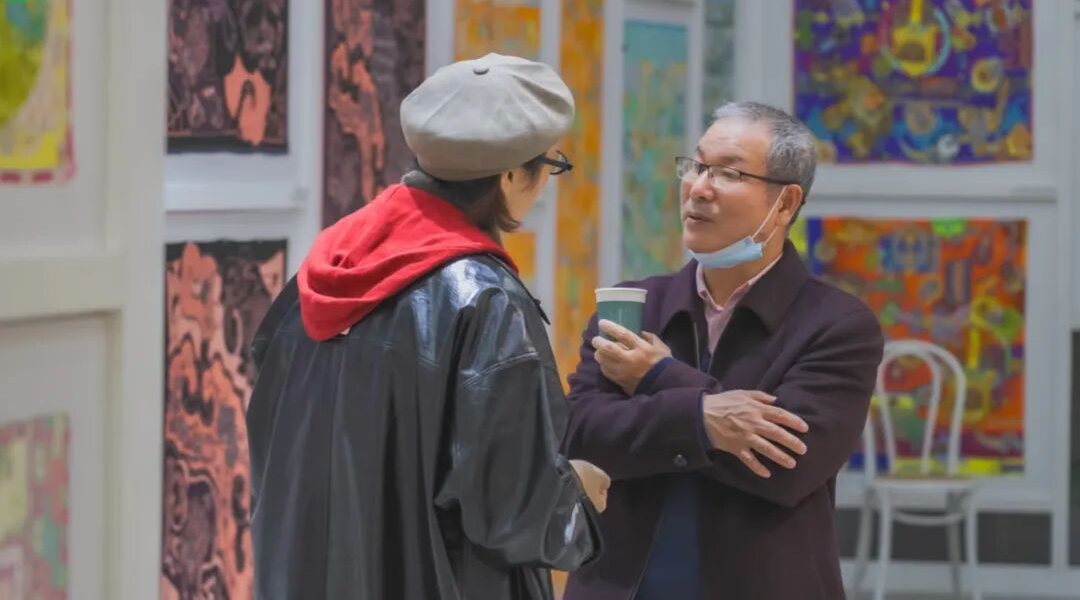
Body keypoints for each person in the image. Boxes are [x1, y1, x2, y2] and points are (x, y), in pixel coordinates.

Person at [246, 53, 607, 600]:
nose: (543, 186)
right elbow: (513, 511)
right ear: (512, 174)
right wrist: (577, 495)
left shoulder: (315, 279)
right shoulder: (487, 301)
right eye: (549, 168)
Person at [562, 101, 884, 600]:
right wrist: (704, 418)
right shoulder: (634, 305)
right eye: (695, 166)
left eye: (728, 173)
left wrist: (660, 378)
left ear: (785, 203)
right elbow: (580, 433)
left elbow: (787, 465)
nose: (698, 187)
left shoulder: (836, 325)